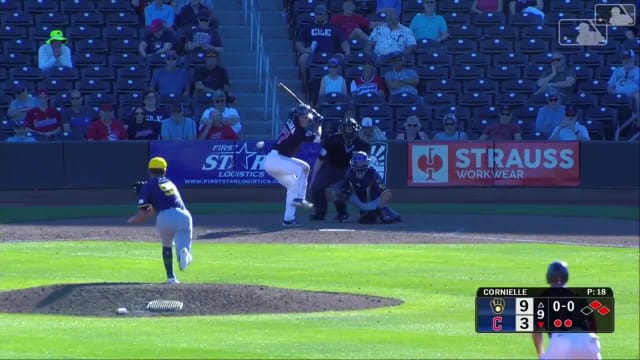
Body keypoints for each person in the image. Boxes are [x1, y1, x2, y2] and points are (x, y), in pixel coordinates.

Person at [128, 157, 193, 284]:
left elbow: (143, 214)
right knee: (184, 246)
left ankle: (171, 278)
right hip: (184, 215)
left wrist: (134, 220)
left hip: (165, 217)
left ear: (149, 171)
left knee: (167, 245)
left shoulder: (148, 186)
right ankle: (184, 253)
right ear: (164, 170)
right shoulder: (170, 183)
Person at [263, 105, 320, 226]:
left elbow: (294, 112)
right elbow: (318, 138)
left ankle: (288, 219)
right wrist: (319, 125)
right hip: (276, 159)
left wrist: (308, 113)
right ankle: (300, 198)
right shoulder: (300, 132)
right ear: (297, 118)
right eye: (302, 117)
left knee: (293, 185)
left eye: (306, 117)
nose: (304, 119)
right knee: (303, 168)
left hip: (275, 161)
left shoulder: (291, 120)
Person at [532, 261, 601, 360]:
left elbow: (536, 330)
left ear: (548, 277)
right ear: (566, 277)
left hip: (561, 341)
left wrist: (540, 354)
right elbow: (593, 327)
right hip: (589, 341)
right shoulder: (579, 297)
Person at [309, 117, 370, 222]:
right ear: (341, 129)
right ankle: (320, 213)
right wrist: (313, 178)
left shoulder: (363, 145)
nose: (348, 132)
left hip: (351, 170)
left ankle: (360, 213)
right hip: (331, 168)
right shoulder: (331, 141)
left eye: (351, 129)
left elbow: (364, 165)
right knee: (316, 186)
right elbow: (320, 159)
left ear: (356, 130)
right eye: (346, 129)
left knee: (343, 190)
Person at [329, 151, 401, 224]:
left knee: (384, 219)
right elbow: (341, 189)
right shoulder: (350, 174)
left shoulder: (372, 174)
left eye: (362, 163)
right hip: (360, 201)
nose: (360, 166)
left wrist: (377, 209)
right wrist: (345, 193)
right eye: (358, 163)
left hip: (374, 203)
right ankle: (343, 215)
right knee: (336, 192)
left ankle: (385, 212)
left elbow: (387, 194)